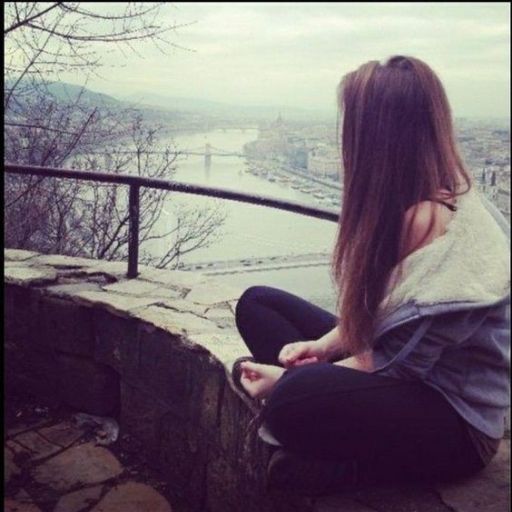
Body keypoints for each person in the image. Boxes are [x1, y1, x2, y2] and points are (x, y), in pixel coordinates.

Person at [232, 55, 510, 496]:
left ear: (377, 138)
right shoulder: (423, 194)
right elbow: (385, 319)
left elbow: (400, 365)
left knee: (292, 397)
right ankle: (321, 415)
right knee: (257, 304)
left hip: (456, 426)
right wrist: (321, 348)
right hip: (401, 372)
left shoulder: (428, 221)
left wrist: (288, 381)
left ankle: (346, 463)